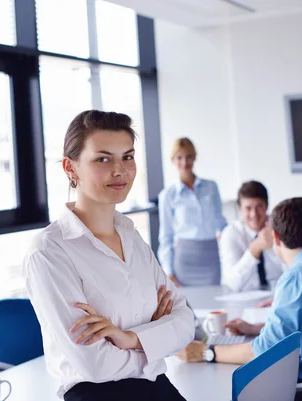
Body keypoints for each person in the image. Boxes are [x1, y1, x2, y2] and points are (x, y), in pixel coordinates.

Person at [23, 110, 194, 401]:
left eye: (127, 156)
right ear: (70, 168)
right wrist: (155, 341)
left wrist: (130, 338)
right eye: (103, 159)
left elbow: (186, 321)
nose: (120, 170)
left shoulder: (131, 235)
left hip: (158, 387)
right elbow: (95, 364)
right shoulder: (49, 252)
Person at [177, 197, 302, 401]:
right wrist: (259, 328)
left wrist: (205, 352)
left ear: (276, 238)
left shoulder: (298, 276)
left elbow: (265, 351)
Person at [158, 137, 228, 286]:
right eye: (179, 157)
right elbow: (166, 236)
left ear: (195, 157)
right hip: (185, 260)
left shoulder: (211, 187)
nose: (184, 162)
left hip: (211, 257)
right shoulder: (167, 195)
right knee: (188, 306)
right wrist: (168, 271)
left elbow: (220, 222)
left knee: (214, 304)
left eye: (189, 156)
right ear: (173, 160)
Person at [220, 181, 285, 292]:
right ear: (239, 209)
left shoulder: (280, 227)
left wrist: (275, 244)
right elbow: (233, 284)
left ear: (267, 206)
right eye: (248, 208)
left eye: (259, 207)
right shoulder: (230, 233)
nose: (254, 214)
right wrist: (255, 248)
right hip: (242, 297)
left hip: (276, 294)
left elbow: (289, 270)